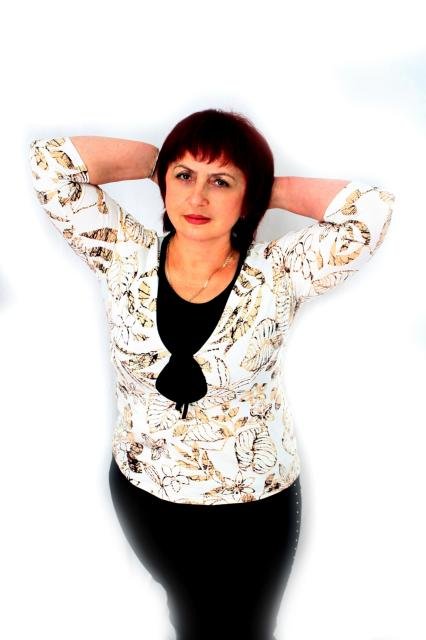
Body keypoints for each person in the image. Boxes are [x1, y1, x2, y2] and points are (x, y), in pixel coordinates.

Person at [28, 108, 395, 640]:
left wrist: (264, 188)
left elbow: (372, 212)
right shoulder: (123, 252)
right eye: (185, 177)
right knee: (188, 619)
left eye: (221, 182)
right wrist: (158, 164)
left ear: (248, 197)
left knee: (247, 629)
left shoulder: (281, 271)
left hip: (251, 508)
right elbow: (51, 163)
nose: (197, 198)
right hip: (145, 494)